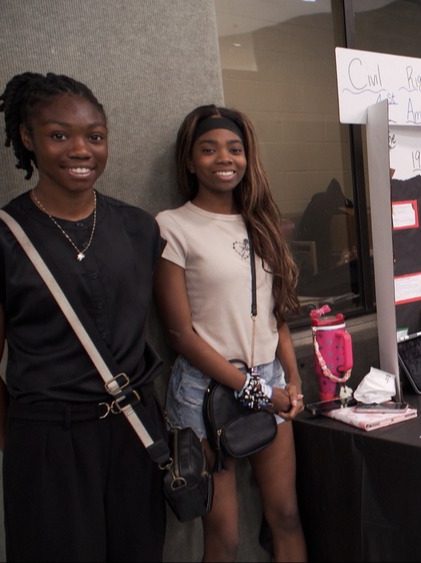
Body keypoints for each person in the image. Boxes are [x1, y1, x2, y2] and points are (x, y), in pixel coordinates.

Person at [0, 72, 166, 561]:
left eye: (94, 137)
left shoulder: (138, 228)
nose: (81, 150)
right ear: (27, 137)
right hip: (47, 440)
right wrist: (27, 450)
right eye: (59, 135)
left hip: (133, 432)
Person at [155, 105, 308, 561]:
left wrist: (292, 380)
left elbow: (277, 314)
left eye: (234, 149)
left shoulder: (261, 221)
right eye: (209, 149)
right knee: (224, 538)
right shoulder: (172, 226)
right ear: (190, 161)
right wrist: (260, 392)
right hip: (205, 390)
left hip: (270, 380)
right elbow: (180, 335)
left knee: (286, 516)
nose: (224, 158)